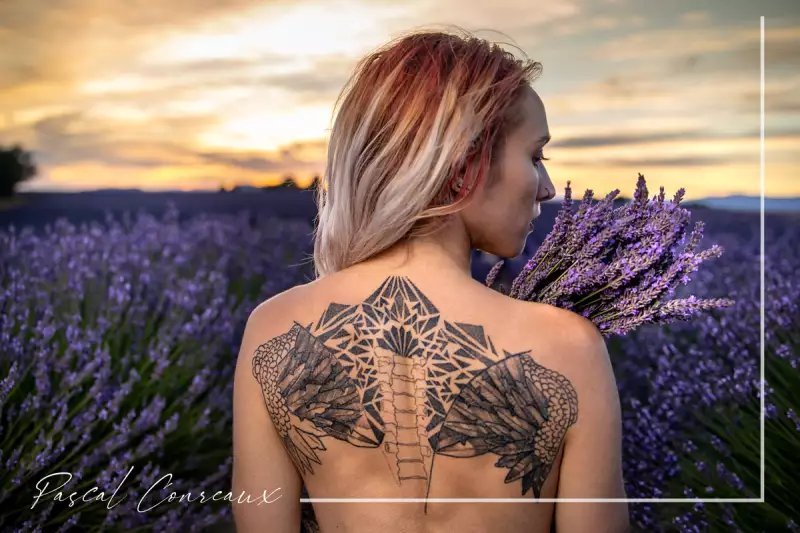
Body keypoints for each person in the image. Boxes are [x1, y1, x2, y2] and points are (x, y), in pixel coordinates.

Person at [232, 26, 630, 533]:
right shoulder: (566, 346)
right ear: (464, 165)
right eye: (535, 156)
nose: (548, 189)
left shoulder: (274, 329)